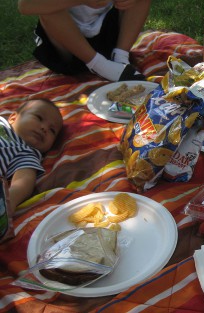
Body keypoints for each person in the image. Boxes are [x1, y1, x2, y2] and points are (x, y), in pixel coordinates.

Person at [17, 0, 151, 82]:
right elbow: (25, 5)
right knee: (46, 9)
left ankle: (120, 58)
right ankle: (100, 65)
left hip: (109, 35)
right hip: (67, 41)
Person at [0, 99, 63, 214]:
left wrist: (10, 200)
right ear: (13, 118)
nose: (44, 128)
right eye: (39, 118)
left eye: (52, 130)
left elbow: (24, 180)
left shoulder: (26, 153)